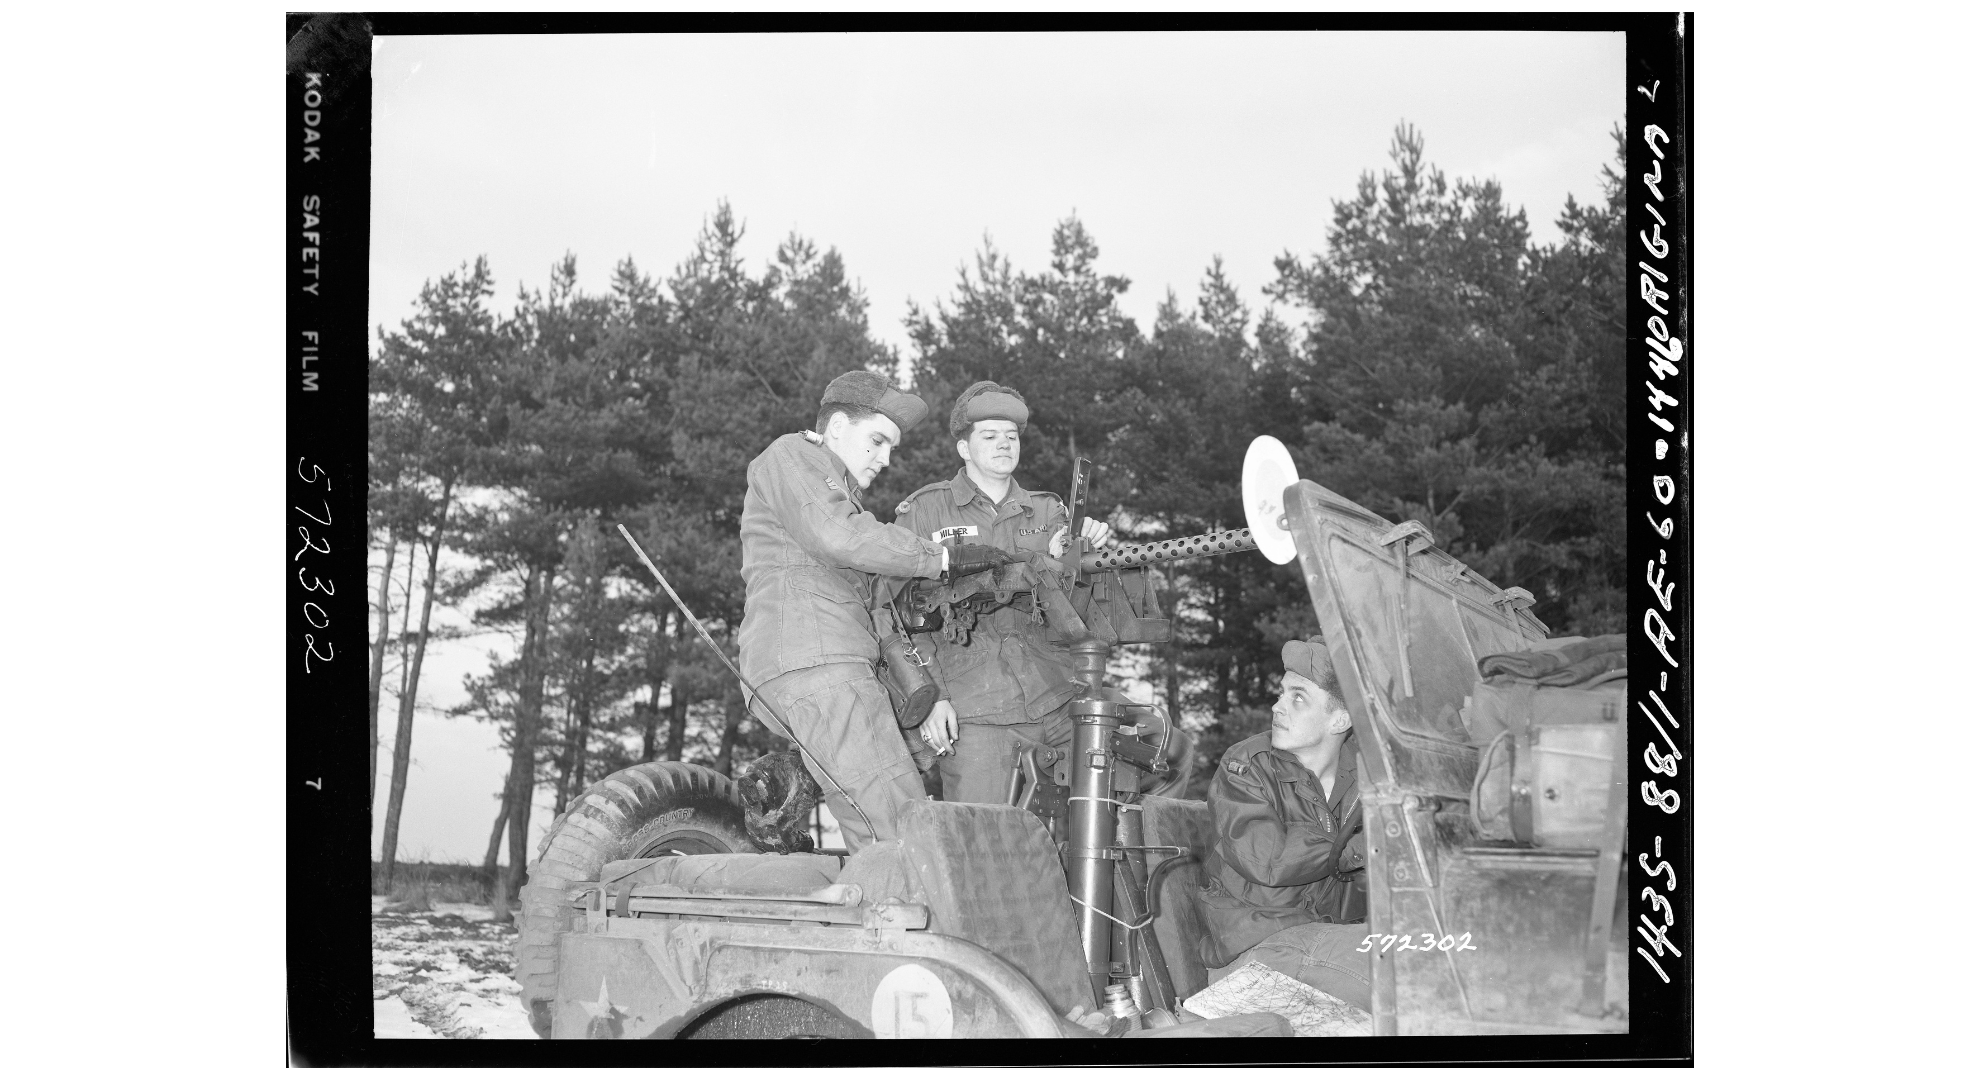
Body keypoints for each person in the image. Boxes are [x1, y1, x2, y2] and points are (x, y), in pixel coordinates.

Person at [737, 371, 1011, 851]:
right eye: (878, 441)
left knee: (880, 809)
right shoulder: (793, 455)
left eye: (892, 448)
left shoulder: (837, 496)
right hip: (818, 662)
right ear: (837, 427)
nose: (885, 459)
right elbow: (839, 534)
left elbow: (872, 596)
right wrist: (941, 557)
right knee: (902, 828)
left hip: (819, 663)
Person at [889, 381, 1113, 804]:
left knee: (1094, 819)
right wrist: (932, 698)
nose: (1004, 444)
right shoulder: (925, 511)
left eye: (1011, 436)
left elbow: (1078, 604)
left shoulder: (1047, 510)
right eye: (990, 436)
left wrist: (1084, 552)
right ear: (964, 448)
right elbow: (897, 616)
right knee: (986, 834)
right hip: (976, 710)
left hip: (1058, 697)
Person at [1197, 635, 1372, 1012]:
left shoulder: (1369, 777)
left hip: (1326, 942)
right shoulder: (1247, 766)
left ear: (1340, 719)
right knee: (1392, 972)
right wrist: (1362, 848)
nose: (1277, 706)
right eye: (1282, 693)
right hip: (1254, 956)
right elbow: (1266, 857)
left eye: (1298, 698)